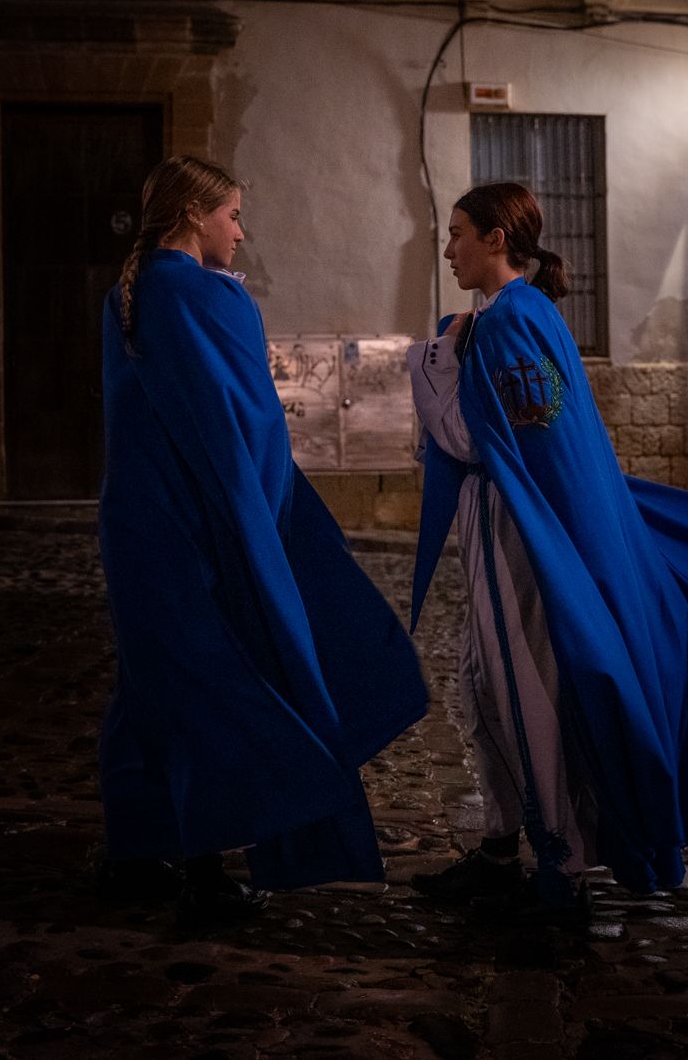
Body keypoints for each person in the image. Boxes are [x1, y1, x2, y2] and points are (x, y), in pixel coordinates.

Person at [406, 182, 688, 924]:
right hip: (508, 524)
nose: (448, 248)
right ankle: (500, 847)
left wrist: (430, 361)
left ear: (495, 239)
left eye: (458, 232)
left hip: (523, 533)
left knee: (526, 693)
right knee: (485, 687)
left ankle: (561, 872)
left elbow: (475, 440)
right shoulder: (512, 316)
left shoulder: (509, 322)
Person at [97, 155, 427, 928]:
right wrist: (263, 526)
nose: (241, 233)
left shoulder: (126, 294)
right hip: (201, 525)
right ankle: (205, 864)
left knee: (153, 686)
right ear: (193, 213)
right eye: (234, 215)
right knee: (225, 685)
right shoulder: (204, 295)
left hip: (140, 523)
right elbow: (243, 425)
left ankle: (138, 850)